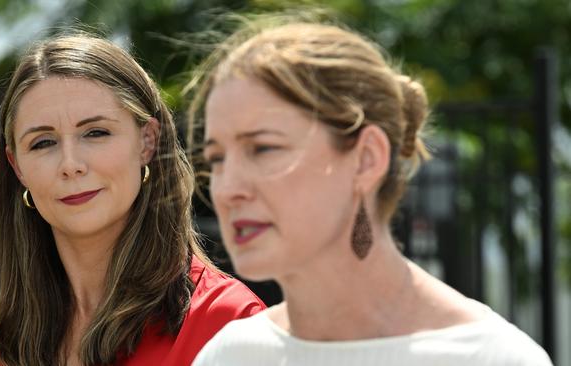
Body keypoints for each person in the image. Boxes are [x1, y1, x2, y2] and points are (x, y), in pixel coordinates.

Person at [187, 21, 553, 366]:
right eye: (216, 159)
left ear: (366, 159)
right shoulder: (232, 354)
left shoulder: (491, 358)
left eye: (263, 148)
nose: (227, 188)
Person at [0, 31, 265, 366]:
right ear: (18, 168)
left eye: (95, 133)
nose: (71, 165)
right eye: (43, 142)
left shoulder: (228, 325)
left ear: (147, 142)